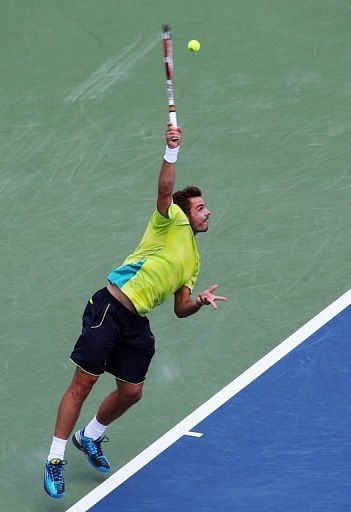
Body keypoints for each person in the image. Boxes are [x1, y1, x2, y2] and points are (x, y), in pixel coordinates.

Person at [44, 123, 227, 499]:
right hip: (110, 307)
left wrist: (199, 303)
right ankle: (55, 459)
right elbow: (164, 190)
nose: (208, 213)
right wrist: (171, 149)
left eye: (204, 207)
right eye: (201, 208)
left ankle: (89, 437)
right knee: (84, 383)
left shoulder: (193, 258)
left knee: (132, 392)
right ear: (184, 213)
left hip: (135, 321)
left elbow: (180, 308)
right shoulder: (169, 221)